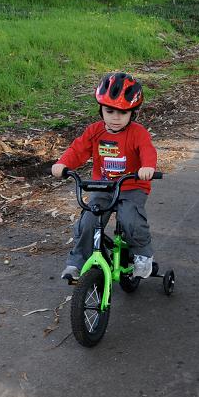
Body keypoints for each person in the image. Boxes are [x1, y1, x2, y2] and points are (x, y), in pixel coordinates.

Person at [51, 72, 158, 281]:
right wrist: (63, 164)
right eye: (110, 111)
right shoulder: (95, 131)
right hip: (103, 187)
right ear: (101, 110)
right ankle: (78, 261)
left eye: (122, 113)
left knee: (130, 220)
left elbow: (147, 150)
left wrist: (147, 167)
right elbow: (78, 149)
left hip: (132, 187)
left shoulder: (138, 133)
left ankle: (143, 256)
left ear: (132, 114)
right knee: (88, 221)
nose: (115, 118)